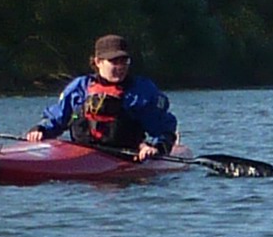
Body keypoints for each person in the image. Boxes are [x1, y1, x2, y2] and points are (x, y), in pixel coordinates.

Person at [25, 34, 178, 161]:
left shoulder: (141, 91)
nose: (121, 67)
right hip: (81, 153)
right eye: (114, 62)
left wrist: (157, 147)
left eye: (124, 61)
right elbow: (58, 117)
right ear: (98, 62)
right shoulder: (80, 87)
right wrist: (41, 129)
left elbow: (163, 128)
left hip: (124, 156)